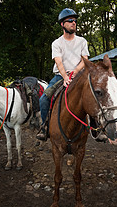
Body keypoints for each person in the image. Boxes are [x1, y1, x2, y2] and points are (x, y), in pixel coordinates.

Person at [36, 8, 90, 140]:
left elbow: (85, 60)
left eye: (75, 21)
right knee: (44, 99)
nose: (74, 23)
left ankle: (97, 129)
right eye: (70, 20)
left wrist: (75, 72)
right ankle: (45, 127)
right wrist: (65, 77)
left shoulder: (82, 41)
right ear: (62, 24)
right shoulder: (57, 43)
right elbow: (59, 62)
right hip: (61, 76)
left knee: (94, 95)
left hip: (79, 76)